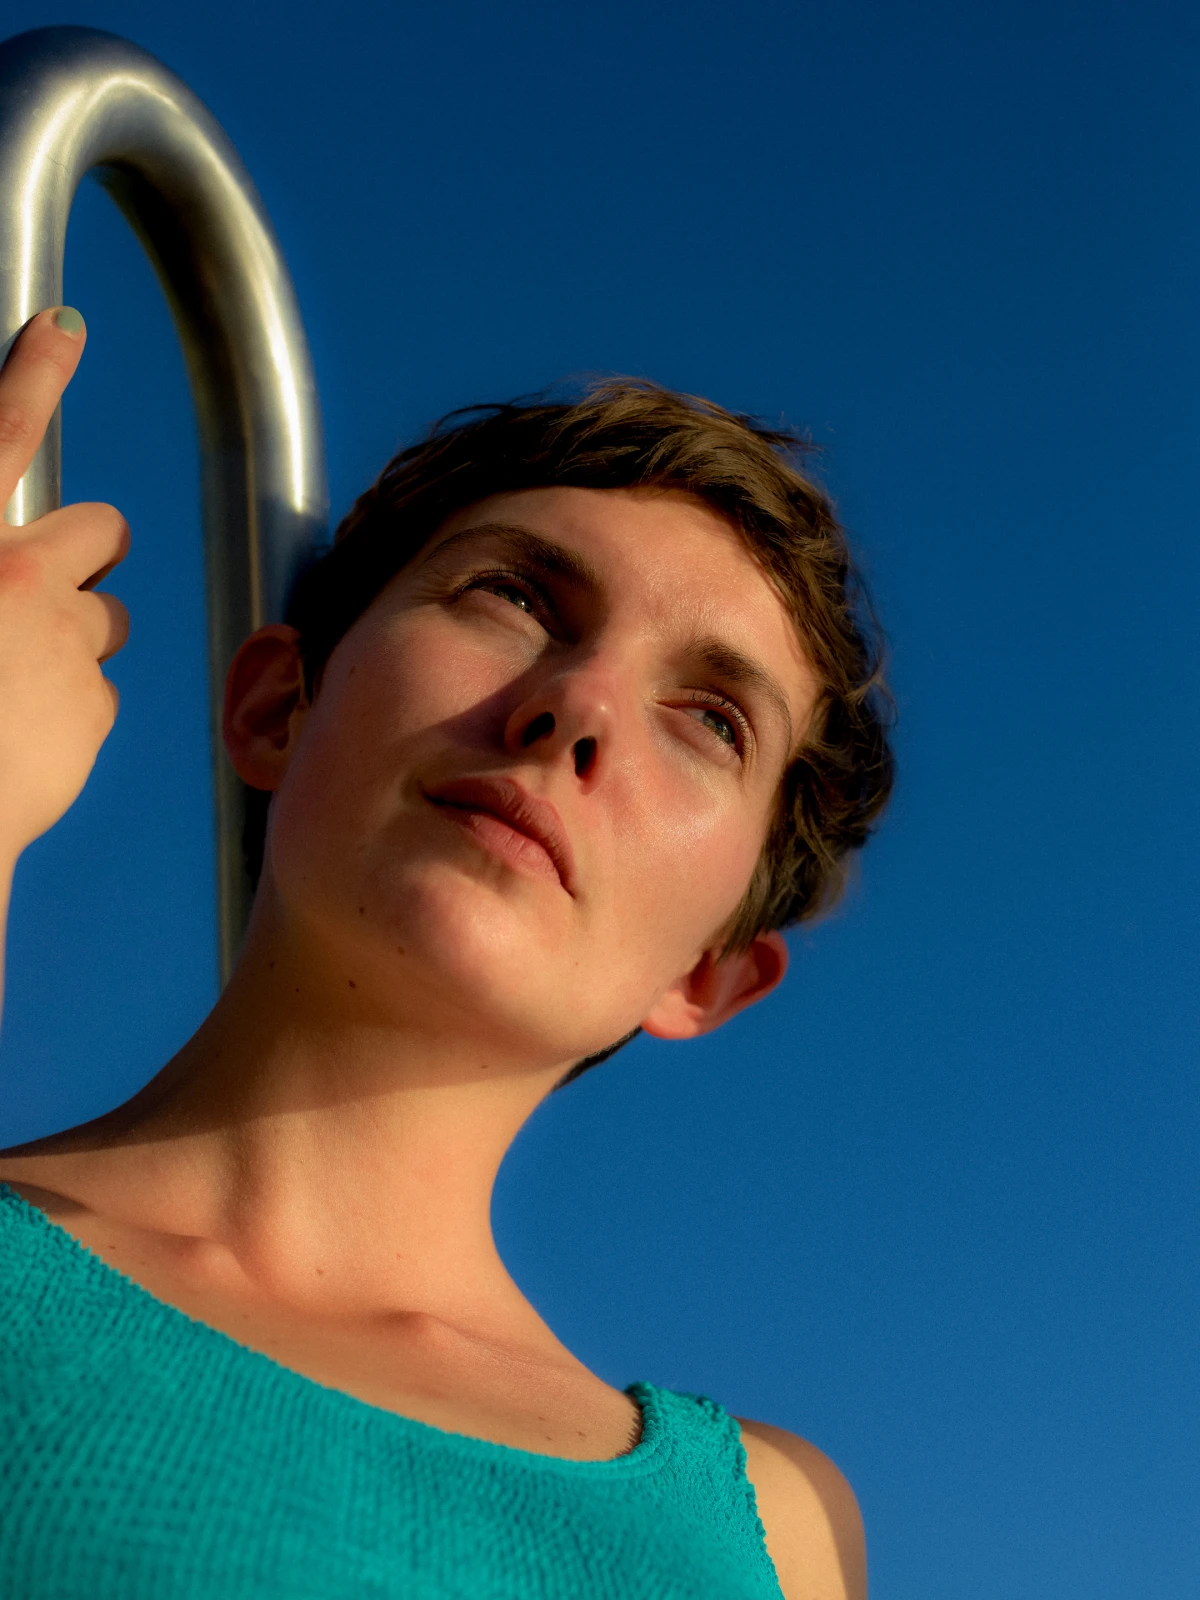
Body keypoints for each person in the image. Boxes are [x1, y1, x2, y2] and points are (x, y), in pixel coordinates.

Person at [0, 307, 892, 1599]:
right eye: (514, 596)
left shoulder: (773, 1532)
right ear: (276, 705)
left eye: (711, 720)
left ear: (704, 973)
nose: (579, 706)